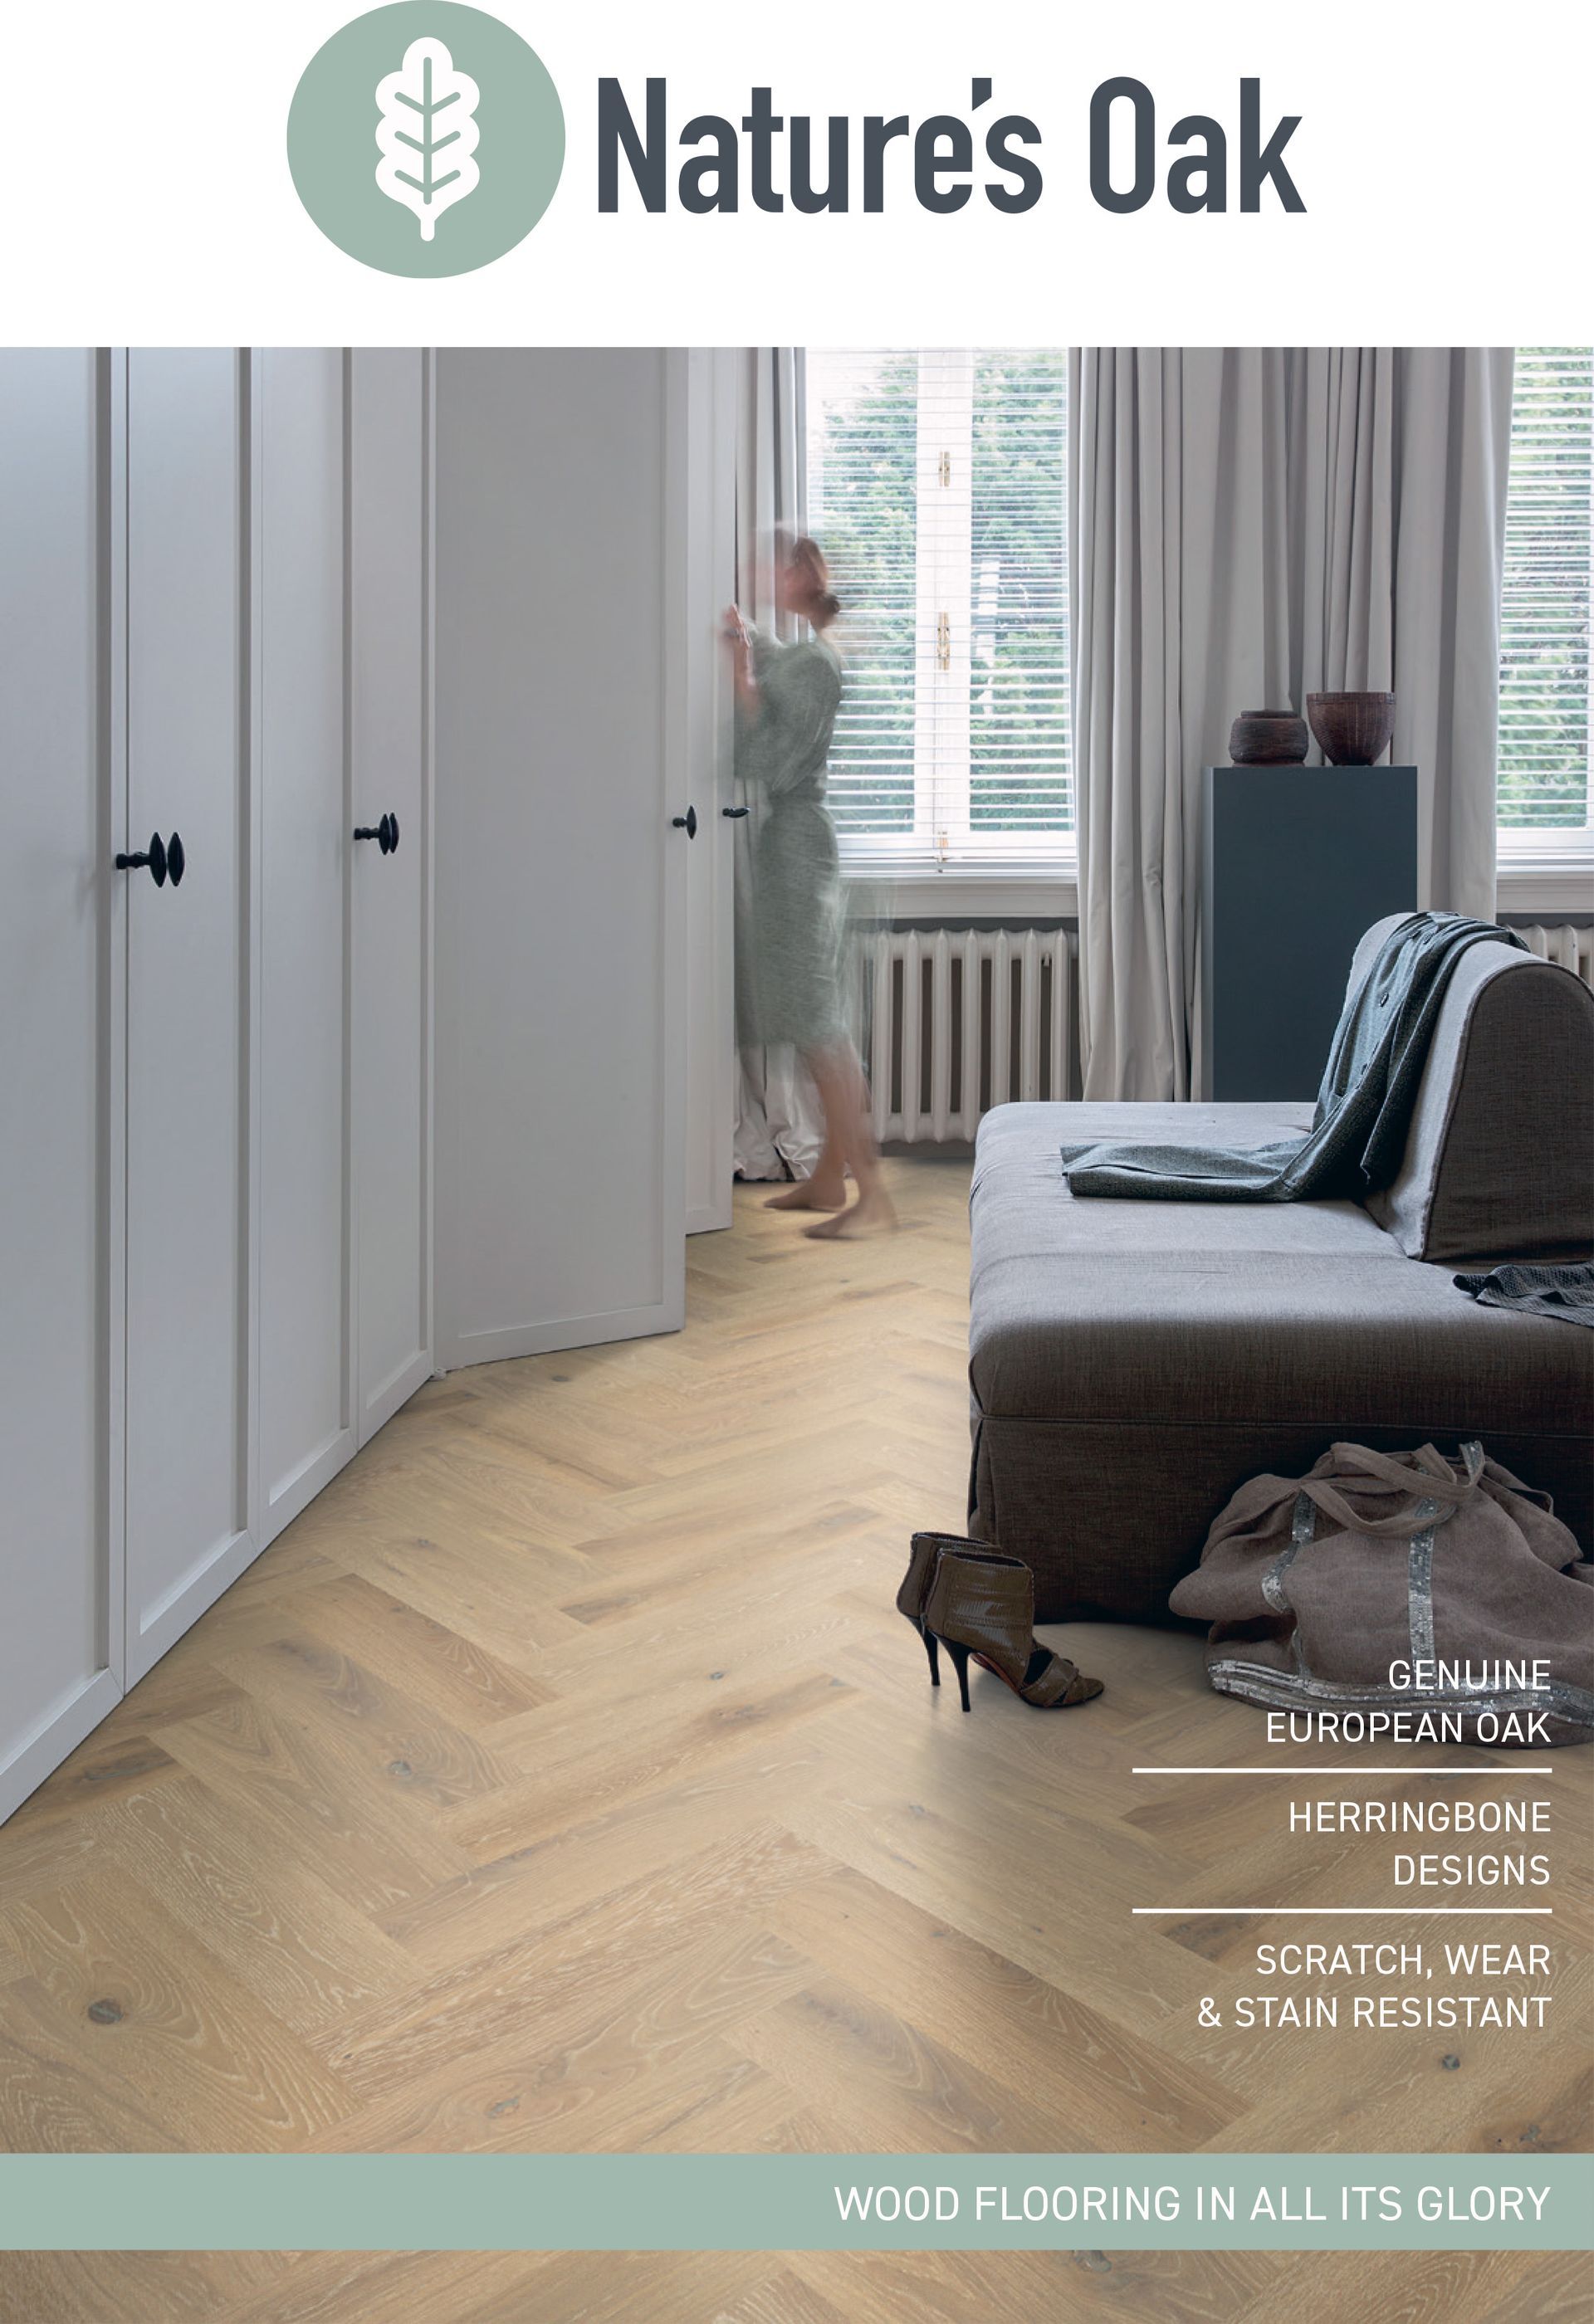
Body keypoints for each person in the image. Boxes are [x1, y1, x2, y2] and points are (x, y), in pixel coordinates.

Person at [726, 536, 894, 1239]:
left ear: (796, 573)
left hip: (799, 846)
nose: (762, 576)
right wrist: (748, 640)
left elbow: (762, 749)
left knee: (820, 1027)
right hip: (795, 844)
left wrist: (739, 670)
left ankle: (873, 1198)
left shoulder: (818, 663)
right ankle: (828, 1180)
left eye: (771, 565)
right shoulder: (808, 653)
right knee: (809, 1019)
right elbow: (779, 666)